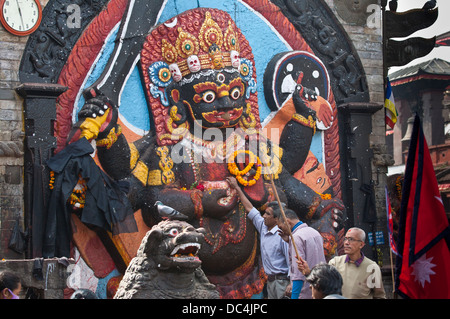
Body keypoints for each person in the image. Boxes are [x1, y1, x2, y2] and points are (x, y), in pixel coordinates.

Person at [227, 177, 290, 299]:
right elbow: (250, 208)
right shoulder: (263, 226)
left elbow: (291, 261)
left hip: (282, 282)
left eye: (268, 214)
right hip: (271, 281)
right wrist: (237, 188)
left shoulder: (282, 236)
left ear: (276, 219)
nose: (264, 216)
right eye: (265, 213)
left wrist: (292, 283)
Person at [298, 227, 386, 299]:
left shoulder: (371, 267)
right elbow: (322, 285)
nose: (347, 243)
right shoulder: (335, 263)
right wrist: (308, 273)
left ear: (361, 245)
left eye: (351, 239)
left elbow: (379, 296)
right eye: (346, 239)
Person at [277, 208, 326, 299]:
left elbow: (298, 274)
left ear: (287, 222)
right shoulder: (314, 232)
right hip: (319, 290)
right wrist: (290, 241)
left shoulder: (297, 237)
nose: (282, 230)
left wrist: (294, 297)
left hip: (305, 292)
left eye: (281, 227)